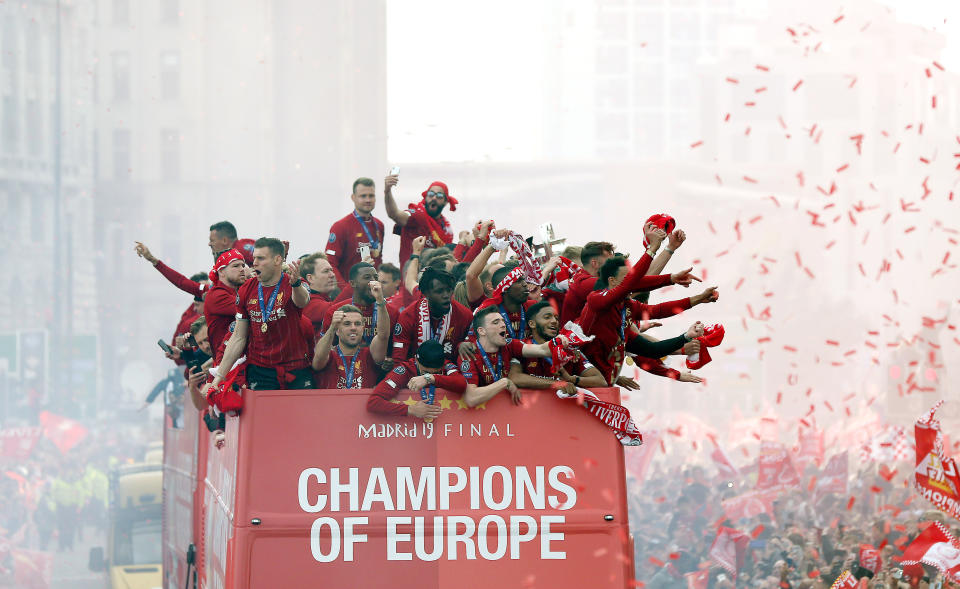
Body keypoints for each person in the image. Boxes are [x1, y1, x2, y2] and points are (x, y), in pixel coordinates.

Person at [577, 230, 710, 385]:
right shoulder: (596, 300)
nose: (633, 283)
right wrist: (653, 248)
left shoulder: (625, 309)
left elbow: (655, 323)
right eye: (628, 279)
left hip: (604, 388)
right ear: (612, 281)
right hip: (581, 388)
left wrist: (696, 304)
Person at [205, 237, 312, 391]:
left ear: (277, 260)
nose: (254, 263)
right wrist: (218, 378)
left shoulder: (295, 283)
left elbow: (302, 302)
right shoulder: (246, 289)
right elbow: (238, 337)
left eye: (260, 258)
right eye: (254, 257)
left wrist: (295, 285)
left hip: (295, 369)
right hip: (261, 371)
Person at [460, 306, 565, 408]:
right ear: (481, 331)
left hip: (505, 412)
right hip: (479, 419)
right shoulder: (469, 353)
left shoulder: (509, 345)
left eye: (502, 321)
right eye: (496, 322)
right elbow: (471, 398)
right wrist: (505, 382)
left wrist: (558, 341)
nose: (503, 325)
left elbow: (542, 349)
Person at [508, 301, 607, 394]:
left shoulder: (569, 348)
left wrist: (572, 379)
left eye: (556, 318)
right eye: (547, 317)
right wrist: (555, 384)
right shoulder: (521, 347)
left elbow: (601, 381)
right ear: (532, 324)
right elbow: (515, 377)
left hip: (563, 409)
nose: (554, 321)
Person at [313, 285, 390, 389]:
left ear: (363, 328)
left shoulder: (369, 355)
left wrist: (380, 301)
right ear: (338, 331)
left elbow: (383, 336)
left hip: (362, 405)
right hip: (331, 405)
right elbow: (318, 359)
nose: (353, 328)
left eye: (357, 324)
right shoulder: (329, 355)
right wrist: (332, 328)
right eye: (347, 324)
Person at [367, 340, 467, 419]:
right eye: (425, 372)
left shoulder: (447, 365)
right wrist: (410, 409)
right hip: (410, 431)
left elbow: (462, 384)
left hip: (445, 426)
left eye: (436, 372)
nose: (430, 375)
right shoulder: (404, 370)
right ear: (416, 360)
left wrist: (430, 378)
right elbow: (374, 402)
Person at [391, 267, 472, 364]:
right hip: (415, 372)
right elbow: (399, 359)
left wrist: (462, 345)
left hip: (449, 373)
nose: (446, 295)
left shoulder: (465, 315)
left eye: (449, 290)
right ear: (426, 293)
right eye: (439, 291)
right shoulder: (409, 316)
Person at [384, 173, 459, 267]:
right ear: (425, 197)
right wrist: (387, 191)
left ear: (446, 201)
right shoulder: (417, 214)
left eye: (439, 195)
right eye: (431, 194)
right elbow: (394, 214)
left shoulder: (446, 227)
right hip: (411, 277)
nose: (434, 198)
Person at [325, 178, 386, 290]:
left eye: (371, 196)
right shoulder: (340, 226)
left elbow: (378, 259)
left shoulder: (379, 225)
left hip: (372, 292)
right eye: (363, 196)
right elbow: (330, 263)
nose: (368, 200)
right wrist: (344, 290)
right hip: (350, 292)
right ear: (353, 198)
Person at [320, 262, 397, 342]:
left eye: (376, 278)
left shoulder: (391, 312)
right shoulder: (335, 312)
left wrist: (381, 302)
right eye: (367, 277)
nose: (373, 282)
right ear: (353, 283)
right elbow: (326, 349)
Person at [204, 248, 248, 359]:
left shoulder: (239, 291)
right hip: (227, 367)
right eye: (236, 266)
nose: (242, 269)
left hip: (239, 362)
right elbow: (251, 307)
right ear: (221, 271)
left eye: (243, 265)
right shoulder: (216, 295)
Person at [559, 241, 614, 325]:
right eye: (609, 261)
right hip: (576, 336)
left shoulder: (583, 279)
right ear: (594, 263)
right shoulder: (583, 282)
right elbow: (625, 284)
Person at [299, 252, 338, 335]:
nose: (332, 275)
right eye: (326, 271)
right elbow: (335, 309)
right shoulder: (307, 302)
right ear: (310, 278)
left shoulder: (326, 297)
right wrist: (356, 284)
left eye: (332, 270)